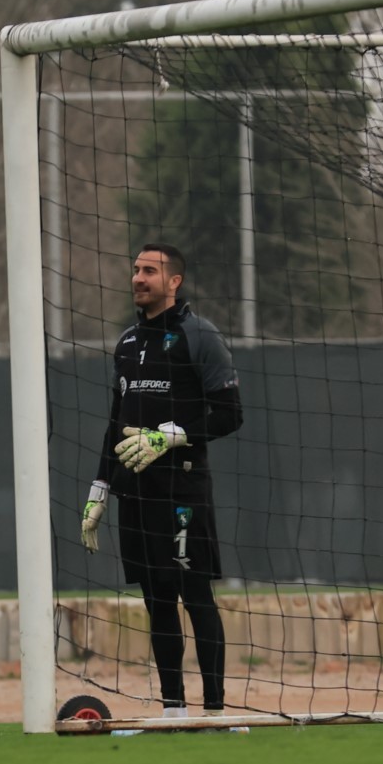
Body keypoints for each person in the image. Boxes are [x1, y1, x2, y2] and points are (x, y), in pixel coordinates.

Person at [82, 243, 243, 718]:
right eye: (135, 269)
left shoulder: (200, 335)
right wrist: (100, 491)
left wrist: (171, 437)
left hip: (183, 493)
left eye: (149, 271)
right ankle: (173, 709)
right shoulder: (127, 343)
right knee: (157, 602)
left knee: (195, 596)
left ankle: (214, 712)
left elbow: (231, 414)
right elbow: (117, 424)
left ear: (174, 281)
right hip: (136, 495)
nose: (138, 278)